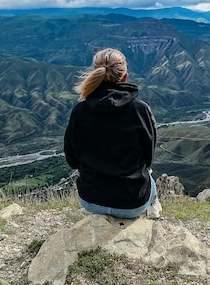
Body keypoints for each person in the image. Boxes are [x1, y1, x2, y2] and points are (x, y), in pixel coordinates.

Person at [64, 48, 162, 219]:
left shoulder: (80, 111)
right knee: (150, 177)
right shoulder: (140, 110)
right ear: (124, 77)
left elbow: (72, 159)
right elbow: (148, 158)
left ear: (96, 74)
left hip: (91, 200)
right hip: (132, 203)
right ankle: (154, 208)